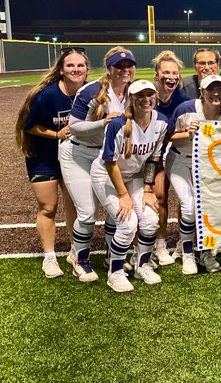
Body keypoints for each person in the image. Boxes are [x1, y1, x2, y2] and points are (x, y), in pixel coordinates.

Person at [61, 46, 136, 282]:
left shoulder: (133, 91)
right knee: (87, 213)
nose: (124, 70)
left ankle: (111, 255)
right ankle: (79, 259)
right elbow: (74, 127)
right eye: (119, 66)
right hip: (79, 154)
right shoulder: (92, 91)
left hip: (106, 157)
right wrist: (102, 123)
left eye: (128, 65)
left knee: (116, 213)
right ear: (109, 68)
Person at [15, 47, 88, 278]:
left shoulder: (89, 93)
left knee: (73, 205)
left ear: (87, 69)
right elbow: (27, 125)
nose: (76, 69)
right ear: (61, 70)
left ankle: (74, 251)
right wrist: (56, 134)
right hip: (43, 158)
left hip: (72, 157)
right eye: (70, 65)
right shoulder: (47, 95)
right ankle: (49, 257)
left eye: (80, 65)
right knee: (48, 207)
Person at [91, 80, 168, 292]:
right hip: (106, 176)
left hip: (134, 175)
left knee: (151, 219)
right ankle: (114, 273)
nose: (146, 99)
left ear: (156, 96)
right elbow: (110, 162)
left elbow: (154, 159)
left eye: (150, 94)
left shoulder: (161, 122)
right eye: (140, 95)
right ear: (131, 99)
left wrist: (148, 190)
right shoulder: (119, 124)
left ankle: (141, 265)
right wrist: (124, 195)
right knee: (127, 223)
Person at [167, 75, 221, 275]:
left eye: (219, 89)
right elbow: (168, 137)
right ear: (202, 92)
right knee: (189, 206)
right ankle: (187, 254)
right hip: (181, 159)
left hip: (209, 164)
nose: (215, 93)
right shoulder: (187, 108)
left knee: (209, 208)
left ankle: (206, 252)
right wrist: (187, 134)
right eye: (211, 89)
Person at [151, 50, 189, 266]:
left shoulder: (182, 98)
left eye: (175, 73)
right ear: (157, 74)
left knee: (176, 198)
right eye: (166, 72)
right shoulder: (147, 94)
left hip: (169, 151)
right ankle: (154, 244)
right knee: (157, 197)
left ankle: (174, 242)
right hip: (146, 154)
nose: (171, 77)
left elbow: (180, 130)